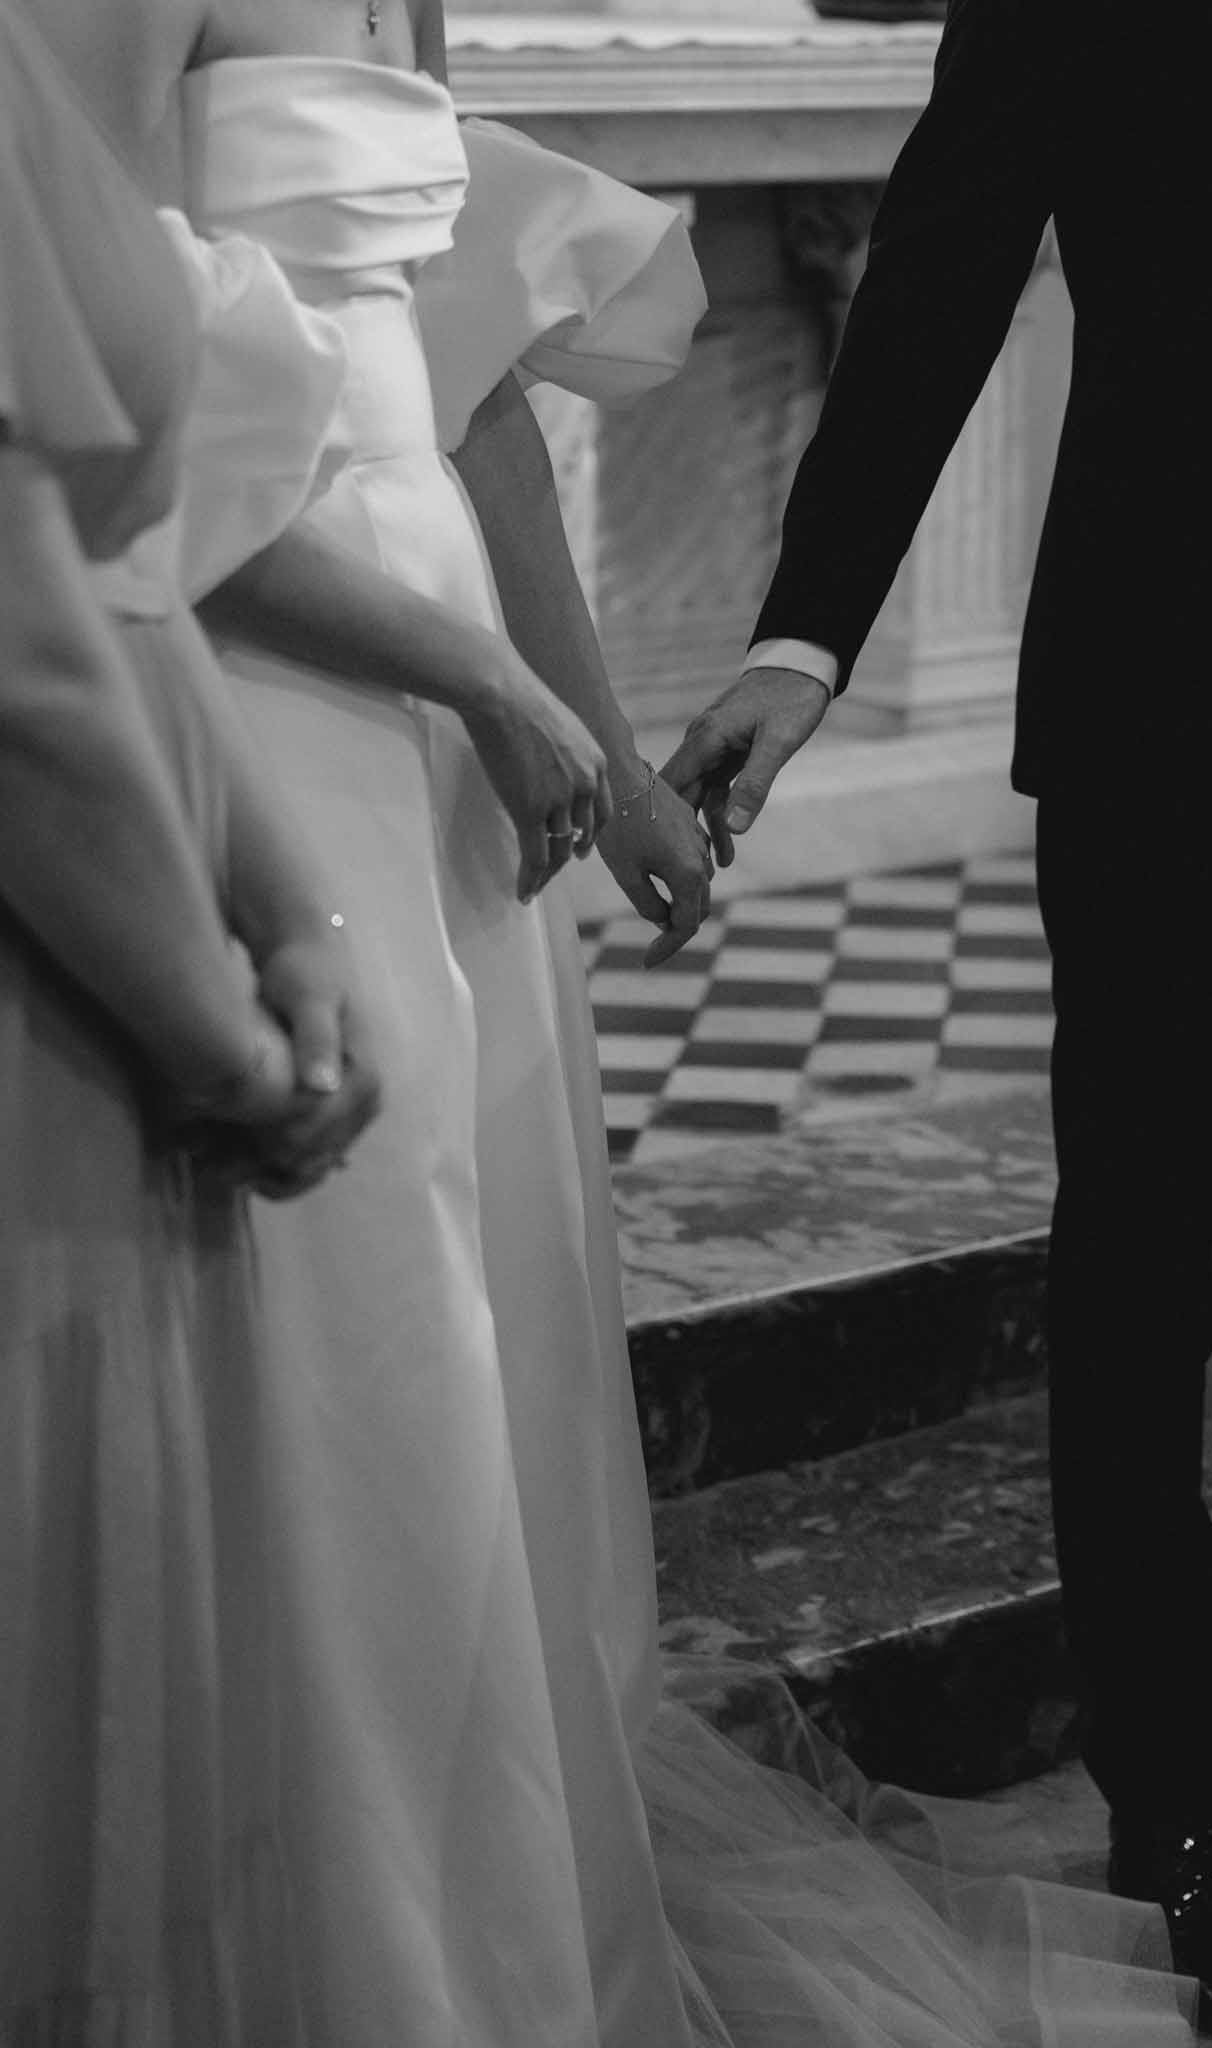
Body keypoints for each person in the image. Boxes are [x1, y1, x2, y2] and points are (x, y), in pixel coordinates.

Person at [154, 5, 1202, 2043]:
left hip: (455, 742)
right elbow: (137, 453)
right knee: (348, 1356)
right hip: (266, 707)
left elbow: (458, 372)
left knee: (489, 1353)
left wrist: (596, 742)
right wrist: (577, 667)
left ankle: (480, 1911)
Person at [665, 1, 1212, 2034]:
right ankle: (1174, 1823)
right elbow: (946, 250)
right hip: (1168, 701)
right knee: (1126, 1271)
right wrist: (806, 631)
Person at [0, 3, 383, 2032]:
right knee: (71, 1670)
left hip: (130, 923)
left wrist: (283, 899)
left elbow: (111, 569)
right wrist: (216, 1036)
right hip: (54, 1001)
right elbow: (23, 662)